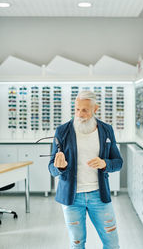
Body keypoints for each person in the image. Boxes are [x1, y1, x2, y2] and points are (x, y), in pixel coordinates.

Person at [48, 90, 123, 249]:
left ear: (95, 109)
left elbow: (118, 162)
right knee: (77, 243)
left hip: (99, 195)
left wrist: (105, 164)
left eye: (85, 110)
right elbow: (51, 168)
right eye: (77, 109)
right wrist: (59, 167)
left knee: (112, 243)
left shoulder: (106, 130)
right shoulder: (62, 131)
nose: (80, 114)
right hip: (72, 197)